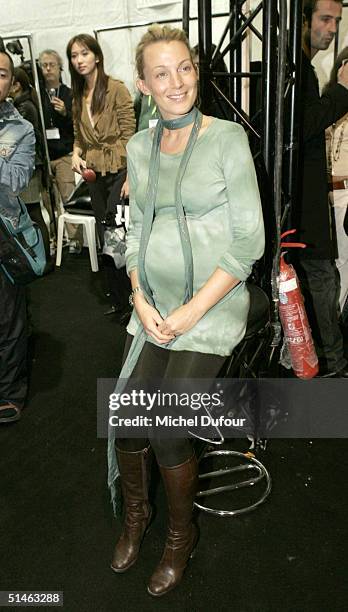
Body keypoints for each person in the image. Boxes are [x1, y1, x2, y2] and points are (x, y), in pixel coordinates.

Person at [108, 25, 264, 597]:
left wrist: (188, 313)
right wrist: (138, 297)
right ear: (144, 84)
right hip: (156, 308)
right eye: (162, 72)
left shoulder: (226, 138)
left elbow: (248, 242)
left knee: (169, 426)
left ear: (197, 72)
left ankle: (181, 537)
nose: (176, 82)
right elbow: (135, 231)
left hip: (213, 307)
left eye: (185, 68)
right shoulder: (139, 147)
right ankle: (135, 519)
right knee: (127, 419)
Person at [292, 0, 348, 376]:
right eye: (325, 19)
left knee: (323, 278)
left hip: (304, 200)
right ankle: (331, 362)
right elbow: (305, 126)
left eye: (336, 21)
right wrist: (342, 90)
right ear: (304, 19)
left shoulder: (299, 68)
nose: (331, 28)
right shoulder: (299, 70)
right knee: (323, 278)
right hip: (305, 203)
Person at [67, 34, 136, 317]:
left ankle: (134, 299)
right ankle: (119, 299)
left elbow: (132, 135)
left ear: (96, 56)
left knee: (118, 233)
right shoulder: (77, 96)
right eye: (74, 55)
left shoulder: (116, 89)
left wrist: (132, 175)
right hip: (94, 173)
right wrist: (75, 152)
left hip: (120, 169)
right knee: (104, 233)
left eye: (84, 53)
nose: (79, 60)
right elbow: (79, 137)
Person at [0, 51, 35, 423]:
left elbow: (15, 180)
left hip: (3, 237)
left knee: (8, 320)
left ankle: (9, 392)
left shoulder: (20, 128)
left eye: (2, 74)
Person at [39, 48, 82, 253]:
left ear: (60, 67)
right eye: (43, 65)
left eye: (51, 64)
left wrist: (65, 112)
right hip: (45, 156)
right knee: (48, 202)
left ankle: (76, 241)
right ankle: (55, 240)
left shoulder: (69, 93)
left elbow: (77, 123)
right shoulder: (37, 94)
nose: (47, 69)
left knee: (68, 197)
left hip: (64, 153)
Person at [10, 67, 50, 259]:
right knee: (33, 212)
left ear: (16, 85)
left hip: (30, 167)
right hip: (31, 166)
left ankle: (44, 256)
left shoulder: (23, 108)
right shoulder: (23, 104)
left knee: (34, 213)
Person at [324, 47, 348, 321]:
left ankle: (335, 322)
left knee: (341, 264)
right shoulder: (329, 100)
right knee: (326, 265)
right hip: (324, 194)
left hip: (344, 194)